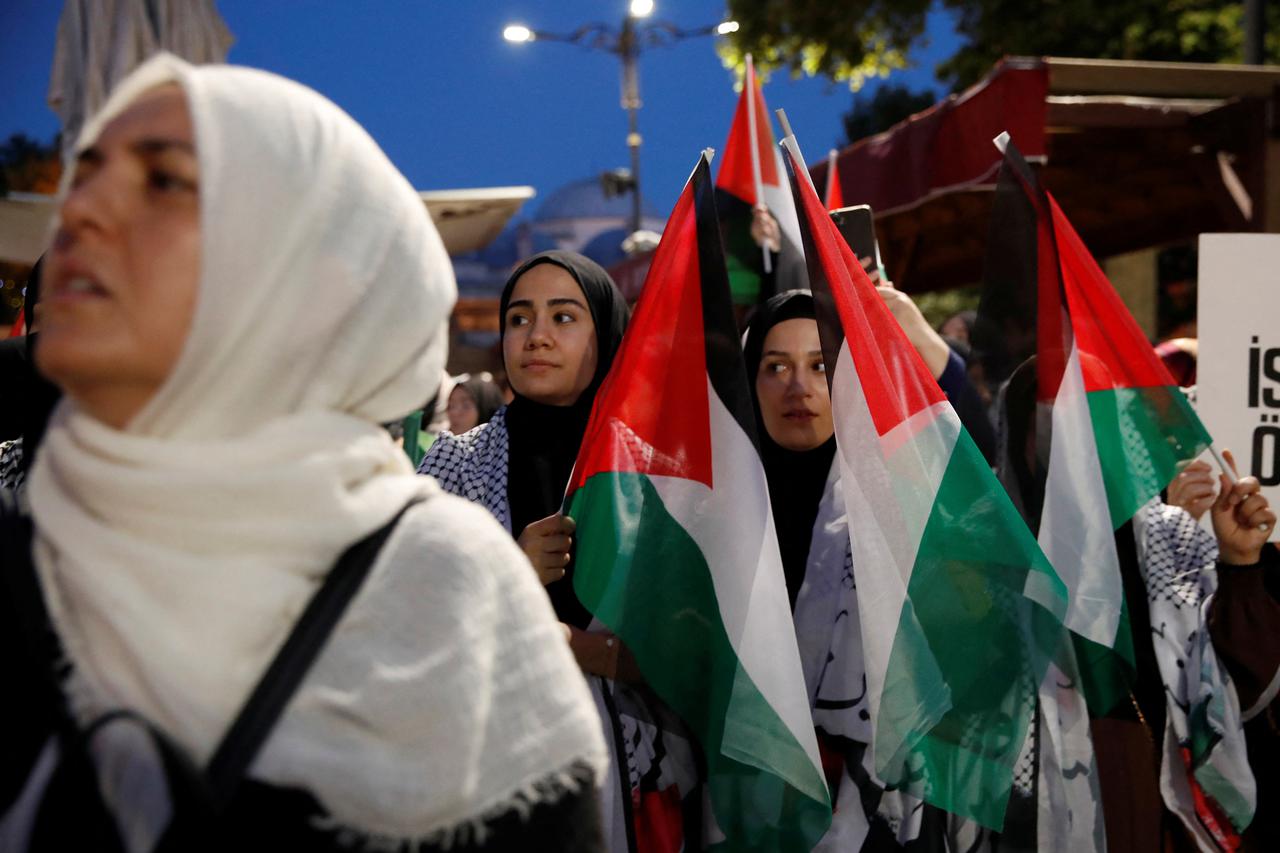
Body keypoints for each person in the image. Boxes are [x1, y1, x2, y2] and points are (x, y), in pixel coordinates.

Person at [0, 54, 606, 850]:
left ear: (294, 271)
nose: (84, 212)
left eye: (165, 184)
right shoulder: (34, 533)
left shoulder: (438, 578)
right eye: (88, 174)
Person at [418, 251, 700, 852]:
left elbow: (702, 651)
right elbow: (407, 625)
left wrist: (585, 650)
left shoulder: (653, 473)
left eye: (564, 318)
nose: (537, 337)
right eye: (519, 319)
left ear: (607, 334)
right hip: (489, 785)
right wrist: (509, 574)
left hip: (637, 788)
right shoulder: (451, 464)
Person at [742, 290, 1001, 850]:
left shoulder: (903, 502)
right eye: (775, 367)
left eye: (823, 365)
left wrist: (918, 336)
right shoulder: (717, 519)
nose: (798, 388)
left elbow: (977, 472)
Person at [996, 359, 1267, 853]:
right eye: (1052, 420)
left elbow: (1241, 688)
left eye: (1093, 419)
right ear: (1019, 438)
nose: (1075, 441)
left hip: (1154, 811)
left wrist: (1240, 564)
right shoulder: (990, 554)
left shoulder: (1171, 537)